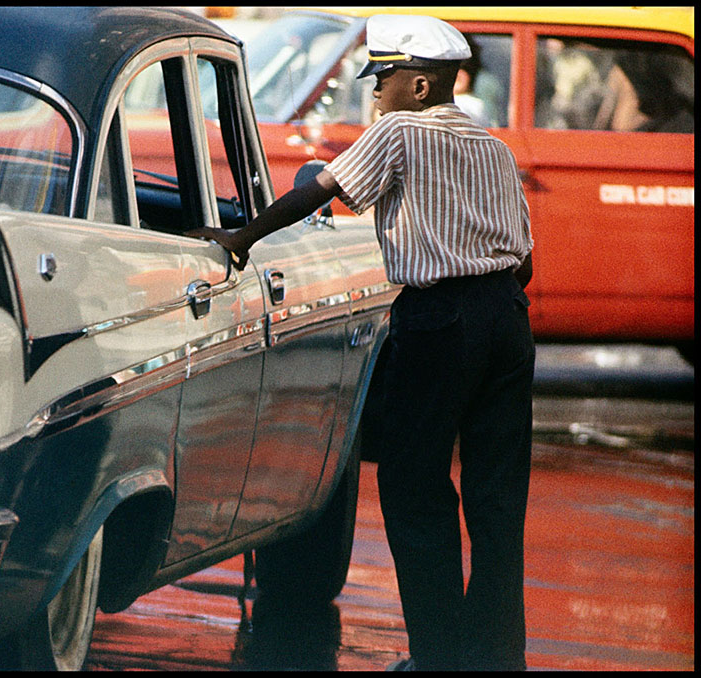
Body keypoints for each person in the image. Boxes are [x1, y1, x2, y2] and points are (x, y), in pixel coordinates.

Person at [188, 14, 534, 672]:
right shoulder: (494, 148)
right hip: (508, 322)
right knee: (495, 501)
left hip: (442, 321)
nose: (375, 91)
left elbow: (319, 190)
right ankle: (494, 662)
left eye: (385, 79)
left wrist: (241, 239)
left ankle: (438, 662)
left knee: (415, 491)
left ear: (422, 86)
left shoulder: (398, 131)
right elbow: (525, 264)